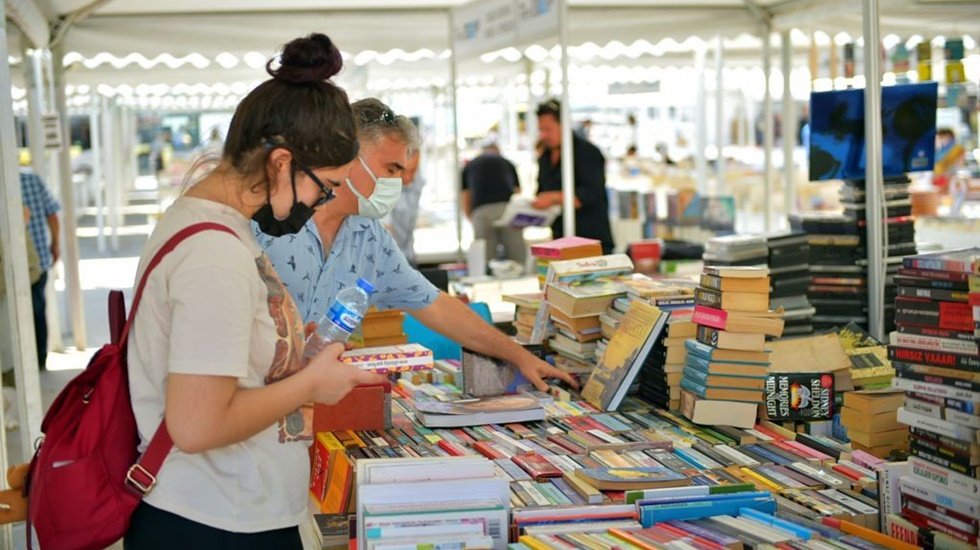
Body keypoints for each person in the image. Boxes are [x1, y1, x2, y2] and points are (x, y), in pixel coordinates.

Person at [124, 33, 384, 549]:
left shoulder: (215, 224)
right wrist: (311, 386)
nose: (324, 201)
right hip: (213, 521)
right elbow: (197, 424)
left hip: (226, 513)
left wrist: (288, 350)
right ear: (282, 162)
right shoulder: (213, 254)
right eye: (324, 185)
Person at [259, 99, 576, 393]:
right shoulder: (266, 221)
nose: (399, 182)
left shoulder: (370, 237)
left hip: (309, 407)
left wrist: (519, 356)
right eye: (392, 169)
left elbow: (435, 305)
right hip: (247, 406)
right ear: (348, 157)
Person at [532, 99, 615, 254]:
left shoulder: (588, 153)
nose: (543, 135)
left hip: (591, 241)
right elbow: (540, 191)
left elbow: (589, 195)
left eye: (548, 129)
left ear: (563, 125)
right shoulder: (545, 157)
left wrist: (553, 198)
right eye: (540, 130)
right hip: (560, 240)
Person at [20, 170, 60, 369]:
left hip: (16, 266)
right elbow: (52, 215)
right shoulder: (32, 180)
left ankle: (27, 360)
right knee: (37, 311)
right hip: (38, 261)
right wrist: (55, 244)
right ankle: (39, 359)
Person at [461, 143, 526, 267]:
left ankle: (487, 282)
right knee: (517, 258)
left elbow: (465, 194)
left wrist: (471, 216)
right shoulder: (507, 162)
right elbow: (517, 191)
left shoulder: (470, 165)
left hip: (482, 211)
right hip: (507, 209)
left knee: (485, 259)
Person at [387, 148, 424, 264]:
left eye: (413, 171)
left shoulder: (417, 181)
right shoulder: (386, 186)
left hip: (409, 254)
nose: (409, 178)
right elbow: (386, 227)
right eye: (405, 171)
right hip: (391, 257)